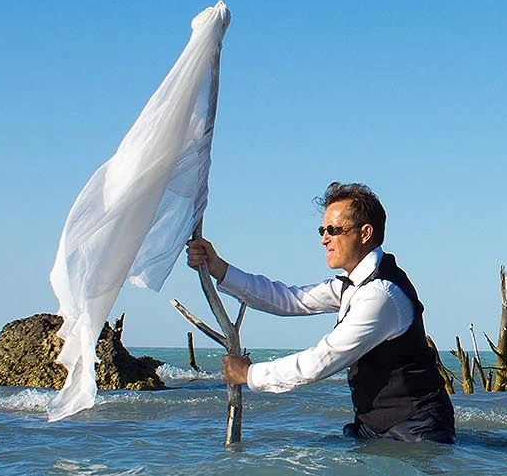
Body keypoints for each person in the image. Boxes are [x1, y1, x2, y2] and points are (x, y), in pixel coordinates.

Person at [185, 182, 456, 443]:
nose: (324, 239)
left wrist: (250, 374)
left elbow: (322, 360)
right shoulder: (353, 284)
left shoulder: (380, 295)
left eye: (334, 230)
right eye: (322, 230)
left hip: (415, 432)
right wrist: (219, 269)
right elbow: (289, 299)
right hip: (375, 428)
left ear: (365, 233)